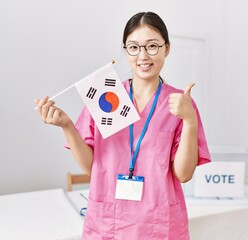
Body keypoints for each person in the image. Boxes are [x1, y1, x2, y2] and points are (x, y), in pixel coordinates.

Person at [34, 11, 211, 239]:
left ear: (167, 49)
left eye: (152, 46)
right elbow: (93, 167)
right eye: (134, 47)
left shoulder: (180, 104)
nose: (143, 56)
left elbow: (184, 174)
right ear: (126, 50)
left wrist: (189, 120)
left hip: (158, 225)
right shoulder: (105, 96)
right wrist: (67, 126)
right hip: (108, 222)